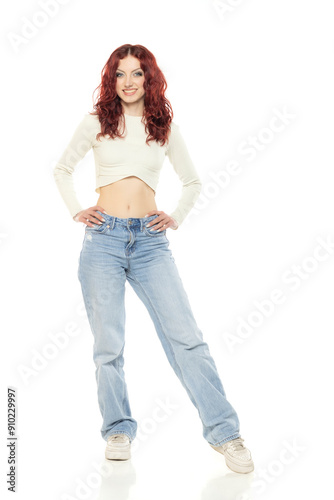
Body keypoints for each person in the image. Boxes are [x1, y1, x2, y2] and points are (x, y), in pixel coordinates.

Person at [53, 43, 254, 474]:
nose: (128, 82)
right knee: (109, 345)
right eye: (120, 74)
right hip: (102, 240)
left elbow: (193, 181)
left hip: (150, 243)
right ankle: (118, 430)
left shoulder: (163, 126)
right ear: (112, 79)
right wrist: (76, 209)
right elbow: (62, 168)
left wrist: (175, 217)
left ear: (149, 78)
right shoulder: (96, 123)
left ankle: (226, 433)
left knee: (187, 339)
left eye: (137, 74)